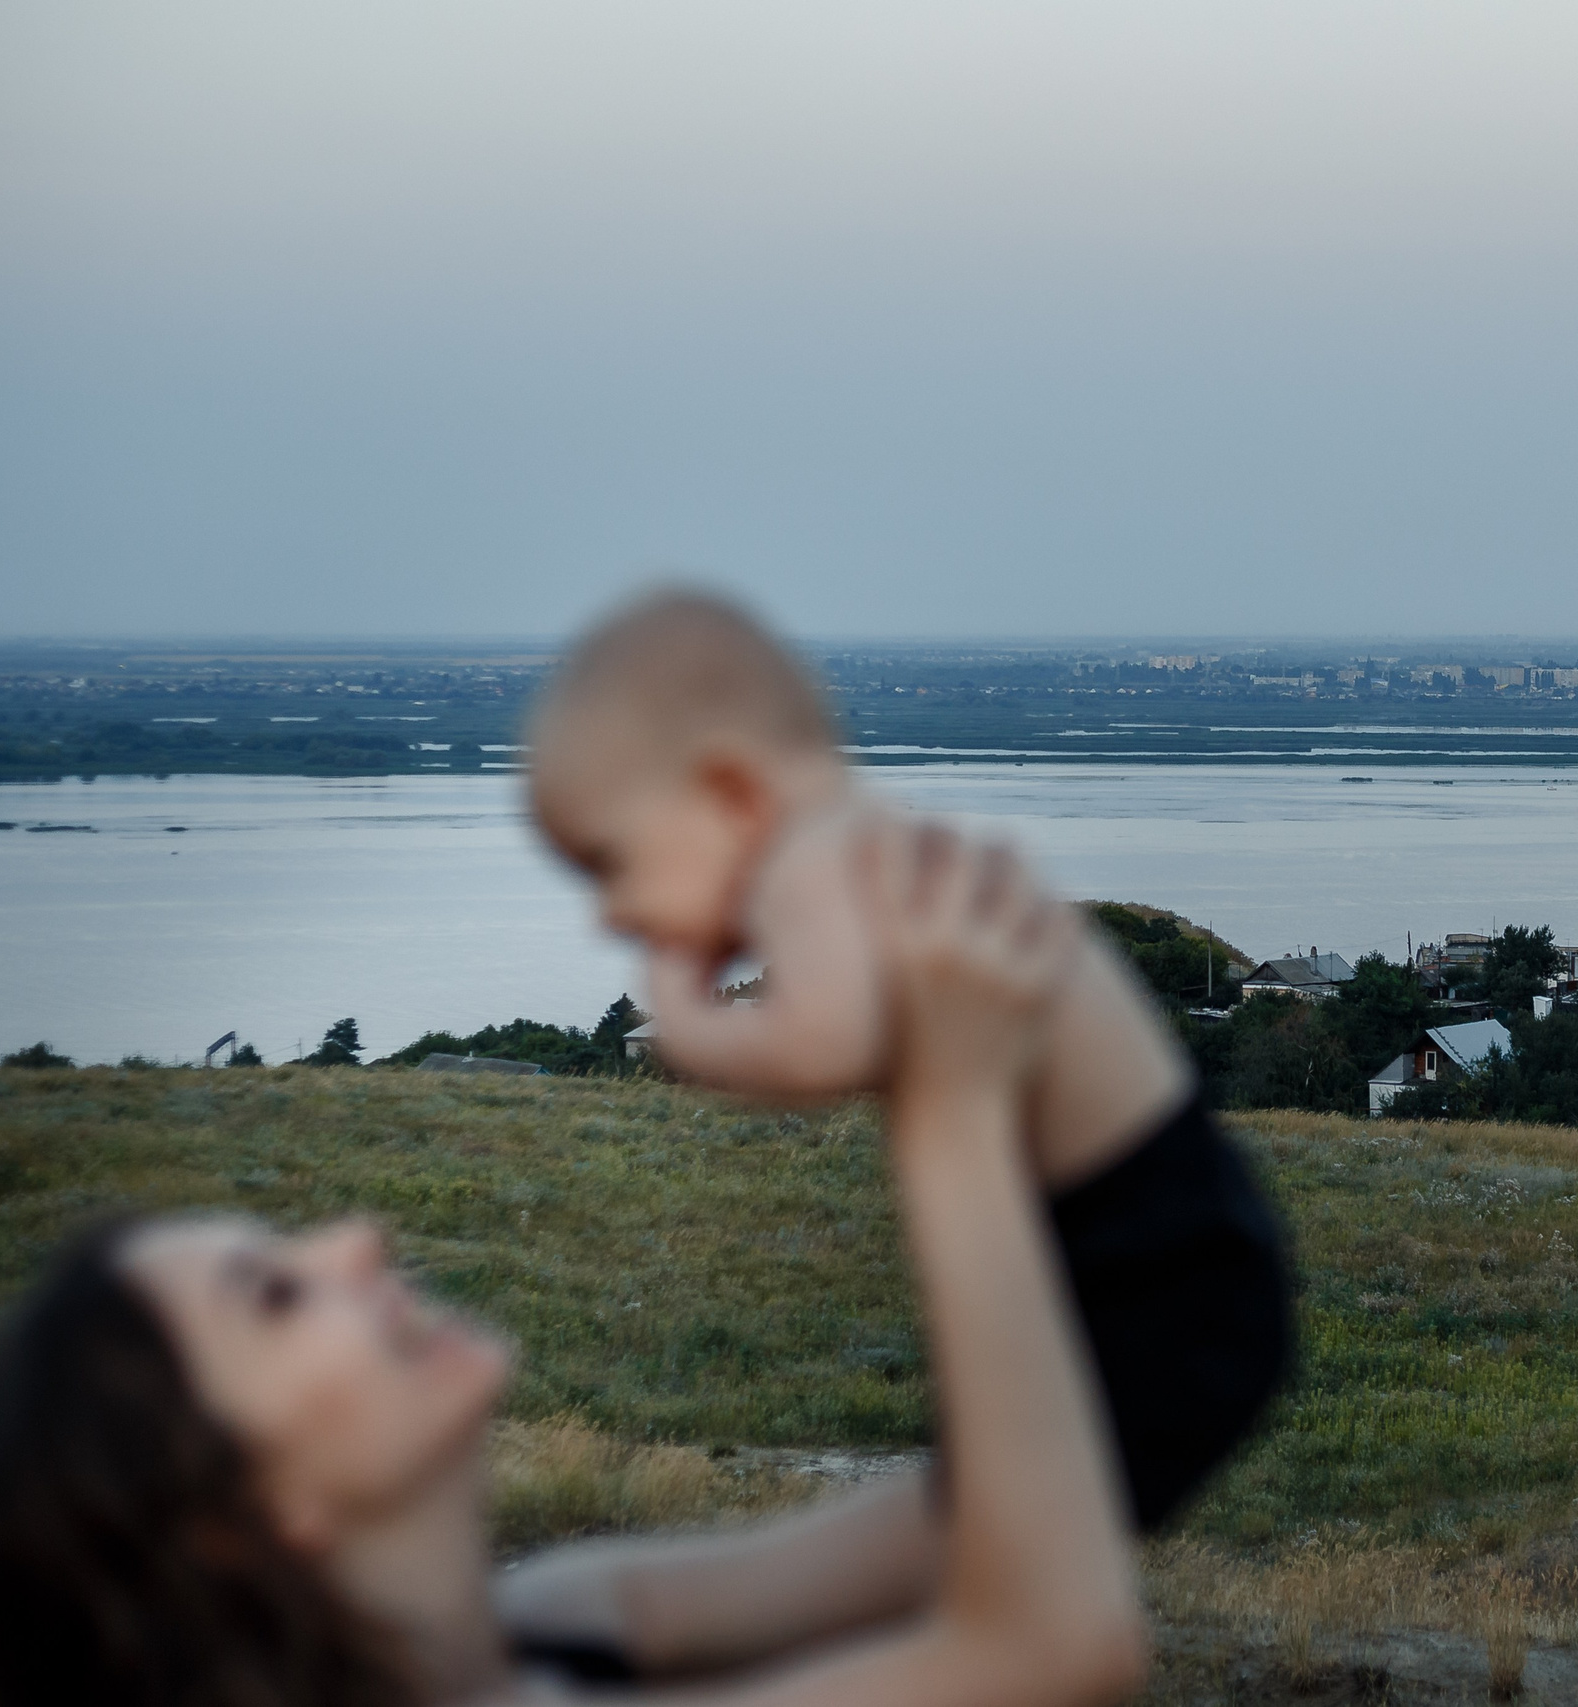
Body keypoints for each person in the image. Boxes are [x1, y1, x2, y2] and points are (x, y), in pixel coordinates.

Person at [0, 820, 1149, 1707]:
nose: (359, 1240)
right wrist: (952, 1107)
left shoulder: (556, 1618)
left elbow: (1043, 1493)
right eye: (272, 1295)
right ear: (239, 1522)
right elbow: (1052, 1642)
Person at [527, 588, 1289, 1535]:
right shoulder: (867, 847)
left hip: (1159, 1268)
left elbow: (827, 1043)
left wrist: (688, 1025)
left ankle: (664, 1624)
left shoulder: (816, 862)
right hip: (1177, 1244)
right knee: (935, 1534)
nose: (609, 915)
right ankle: (641, 1613)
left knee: (988, 1540)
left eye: (610, 863)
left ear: (729, 794)